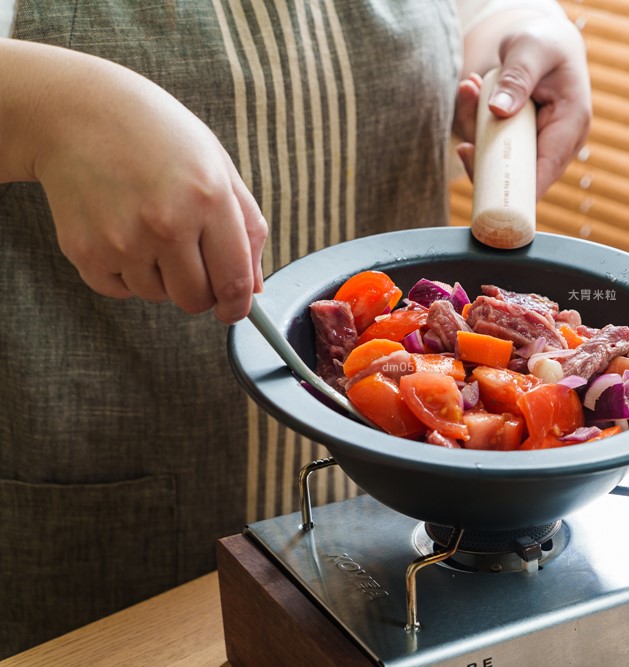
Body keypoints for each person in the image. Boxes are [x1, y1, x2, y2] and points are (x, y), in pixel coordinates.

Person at [0, 0, 590, 656]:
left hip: (411, 520)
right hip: (121, 588)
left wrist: (517, 38)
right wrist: (54, 112)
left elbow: (473, 16)